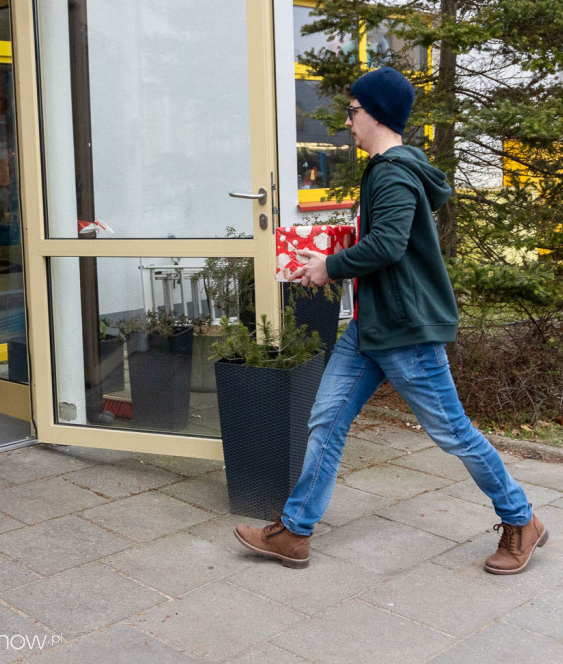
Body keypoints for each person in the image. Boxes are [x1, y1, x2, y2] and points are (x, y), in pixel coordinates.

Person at [234, 66, 547, 574]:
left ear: (375, 113)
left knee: (453, 434)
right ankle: (295, 532)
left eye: (352, 112)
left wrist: (329, 265)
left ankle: (521, 519)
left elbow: (388, 244)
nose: (348, 122)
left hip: (404, 332)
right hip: (369, 327)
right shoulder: (389, 170)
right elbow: (381, 240)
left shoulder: (393, 172)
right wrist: (338, 248)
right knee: (326, 422)